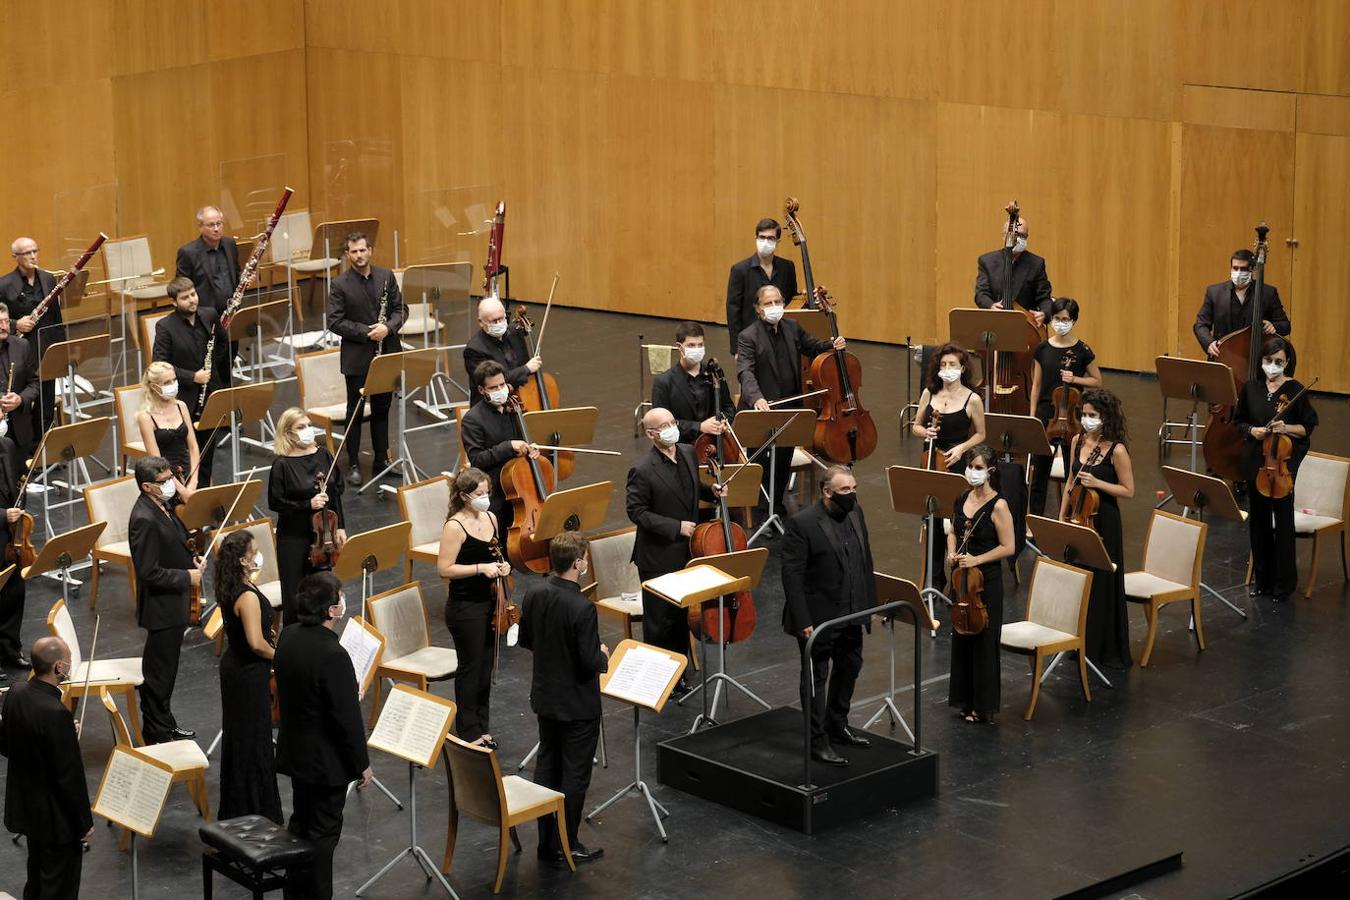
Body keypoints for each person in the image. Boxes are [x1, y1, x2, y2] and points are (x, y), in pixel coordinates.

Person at [274, 572, 373, 900]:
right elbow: (346, 720)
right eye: (340, 597)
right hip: (325, 764)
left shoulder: (287, 637)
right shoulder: (334, 655)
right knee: (322, 839)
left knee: (301, 825)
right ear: (332, 610)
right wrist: (362, 765)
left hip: (297, 755)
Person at [519, 532, 609, 868]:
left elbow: (527, 640)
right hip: (577, 705)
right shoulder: (582, 607)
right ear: (578, 563)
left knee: (548, 767)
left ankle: (546, 843)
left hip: (545, 697)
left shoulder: (535, 592)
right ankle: (567, 844)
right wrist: (602, 655)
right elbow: (589, 662)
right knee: (574, 775)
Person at [780, 465, 877, 766]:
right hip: (818, 617)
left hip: (851, 609)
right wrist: (803, 620)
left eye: (854, 488)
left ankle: (838, 724)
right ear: (827, 492)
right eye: (845, 490)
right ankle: (817, 740)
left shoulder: (856, 512)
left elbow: (864, 560)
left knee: (850, 666)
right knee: (815, 678)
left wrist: (869, 606)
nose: (852, 494)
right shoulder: (802, 523)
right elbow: (792, 577)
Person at [626, 408, 720, 677]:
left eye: (672, 422)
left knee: (680, 618)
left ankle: (678, 673)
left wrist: (711, 491)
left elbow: (691, 487)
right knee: (660, 622)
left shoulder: (689, 452)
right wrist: (675, 527)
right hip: (658, 556)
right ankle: (659, 677)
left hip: (686, 552)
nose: (670, 428)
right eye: (663, 425)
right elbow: (637, 512)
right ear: (650, 433)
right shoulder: (642, 470)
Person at [0, 636, 93, 899]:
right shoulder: (56, 713)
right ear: (59, 668)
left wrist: (62, 734)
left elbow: (9, 744)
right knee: (59, 888)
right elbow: (68, 779)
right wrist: (84, 823)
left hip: (29, 811)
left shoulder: (16, 693)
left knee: (37, 878)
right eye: (69, 663)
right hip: (57, 822)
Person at [736, 285, 841, 515]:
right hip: (762, 412)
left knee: (782, 461)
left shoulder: (792, 327)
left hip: (789, 407)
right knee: (762, 463)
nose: (774, 307)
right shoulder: (748, 337)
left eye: (777, 302)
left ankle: (777, 507)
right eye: (768, 303)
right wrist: (756, 399)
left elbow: (812, 346)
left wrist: (833, 344)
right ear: (758, 308)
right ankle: (762, 510)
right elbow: (746, 372)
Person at [1234, 336, 1318, 603]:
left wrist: (1286, 428)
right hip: (1257, 464)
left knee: (1283, 526)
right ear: (1261, 362)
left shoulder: (1296, 391)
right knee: (1258, 525)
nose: (1272, 366)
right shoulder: (1251, 388)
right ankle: (1263, 581)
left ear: (1287, 362)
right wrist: (1252, 430)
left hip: (1281, 467)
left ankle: (1284, 584)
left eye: (1278, 362)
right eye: (1268, 361)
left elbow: (1307, 427)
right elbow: (1239, 422)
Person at [129, 455, 202, 743]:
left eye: (171, 478)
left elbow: (176, 541)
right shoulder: (143, 519)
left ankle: (166, 722)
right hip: (161, 608)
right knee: (159, 674)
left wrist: (191, 558)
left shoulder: (162, 505)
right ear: (147, 486)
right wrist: (188, 577)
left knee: (167, 671)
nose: (172, 484)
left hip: (174, 603)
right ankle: (156, 732)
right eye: (165, 481)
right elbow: (148, 572)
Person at [1059, 389, 1134, 669]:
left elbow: (1128, 491)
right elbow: (1070, 481)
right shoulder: (1077, 440)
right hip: (1080, 516)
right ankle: (1079, 642)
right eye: (1084, 414)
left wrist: (1099, 484)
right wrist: (1062, 517)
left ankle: (1103, 647)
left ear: (1105, 417)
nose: (1087, 420)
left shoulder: (1117, 450)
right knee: (1080, 581)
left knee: (1102, 582)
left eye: (1093, 415)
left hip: (1104, 521)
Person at [437, 467, 510, 748]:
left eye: (487, 492)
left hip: (491, 603)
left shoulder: (491, 517)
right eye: (480, 494)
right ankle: (469, 731)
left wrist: (503, 565)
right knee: (471, 667)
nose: (486, 498)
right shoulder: (455, 526)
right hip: (465, 606)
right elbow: (444, 568)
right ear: (465, 495)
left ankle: (483, 725)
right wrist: (482, 568)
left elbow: (497, 552)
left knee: (485, 667)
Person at [325, 231, 406, 485]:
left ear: (369, 250)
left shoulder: (386, 276)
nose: (359, 255)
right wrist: (369, 333)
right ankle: (355, 464)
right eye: (354, 252)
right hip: (358, 355)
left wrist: (389, 328)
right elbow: (335, 321)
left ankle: (382, 458)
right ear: (348, 255)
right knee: (356, 410)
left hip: (387, 351)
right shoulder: (340, 284)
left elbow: (400, 309)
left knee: (383, 407)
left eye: (363, 250)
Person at [214, 529, 282, 823]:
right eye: (254, 552)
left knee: (241, 740)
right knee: (253, 741)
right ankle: (255, 810)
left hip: (235, 668)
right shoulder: (247, 596)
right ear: (243, 560)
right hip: (248, 674)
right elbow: (256, 643)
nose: (258, 555)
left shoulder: (230, 585)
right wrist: (281, 656)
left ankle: (237, 809)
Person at [948, 446, 1016, 724]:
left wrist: (977, 559)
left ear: (989, 472)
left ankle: (983, 705)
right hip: (962, 579)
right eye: (970, 466)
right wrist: (951, 552)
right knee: (962, 638)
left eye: (978, 468)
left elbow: (1009, 546)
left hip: (985, 581)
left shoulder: (998, 505)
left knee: (984, 643)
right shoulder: (962, 498)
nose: (972, 472)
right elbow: (953, 530)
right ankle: (964, 700)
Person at [911, 342, 986, 590]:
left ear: (963, 367)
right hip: (931, 459)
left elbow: (980, 435)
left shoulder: (972, 398)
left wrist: (962, 448)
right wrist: (926, 433)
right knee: (931, 519)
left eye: (952, 364)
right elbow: (916, 426)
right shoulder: (929, 393)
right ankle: (933, 579)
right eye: (943, 364)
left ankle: (956, 578)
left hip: (956, 461)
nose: (947, 369)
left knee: (953, 520)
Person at [268, 408, 346, 625]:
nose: (308, 430)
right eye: (301, 427)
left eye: (309, 425)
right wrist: (307, 504)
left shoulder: (323, 455)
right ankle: (295, 644)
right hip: (293, 538)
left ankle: (320, 637)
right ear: (288, 433)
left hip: (324, 537)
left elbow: (335, 492)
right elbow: (276, 503)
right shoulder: (281, 465)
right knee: (295, 595)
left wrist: (340, 526)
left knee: (322, 591)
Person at [1026, 298, 1103, 517]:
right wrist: (1032, 417)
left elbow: (1097, 381)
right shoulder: (1042, 349)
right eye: (1057, 318)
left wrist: (1076, 378)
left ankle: (1070, 515)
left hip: (1073, 417)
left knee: (1073, 469)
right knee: (1040, 471)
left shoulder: (1082, 350)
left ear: (1074, 321)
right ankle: (1036, 519)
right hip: (1046, 415)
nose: (1060, 323)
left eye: (1065, 319)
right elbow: (1037, 385)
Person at [152, 276, 231, 487]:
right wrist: (192, 377)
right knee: (186, 454)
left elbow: (222, 343)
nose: (192, 300)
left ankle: (203, 496)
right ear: (174, 302)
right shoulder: (165, 326)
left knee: (207, 451)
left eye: (193, 294)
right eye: (185, 297)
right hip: (183, 397)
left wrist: (211, 368)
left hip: (210, 394)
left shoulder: (209, 314)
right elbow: (159, 364)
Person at [460, 360, 541, 546]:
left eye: (503, 384)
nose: (500, 390)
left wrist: (532, 448)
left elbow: (526, 440)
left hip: (522, 484)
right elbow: (476, 459)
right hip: (496, 489)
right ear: (481, 390)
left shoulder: (515, 407)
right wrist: (508, 446)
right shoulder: (473, 420)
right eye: (493, 387)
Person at [0, 237, 64, 438]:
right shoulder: (4, 285)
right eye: (27, 253)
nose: (33, 256)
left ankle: (42, 449)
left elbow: (55, 316)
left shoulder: (47, 278)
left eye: (35, 251)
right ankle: (24, 448)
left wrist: (62, 349)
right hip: (19, 352)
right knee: (24, 398)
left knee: (46, 399)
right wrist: (15, 324)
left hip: (46, 348)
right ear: (15, 257)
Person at [1194, 249, 1292, 359]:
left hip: (1255, 359)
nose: (1239, 272)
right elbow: (1200, 324)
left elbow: (1286, 326)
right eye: (1235, 268)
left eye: (1243, 269)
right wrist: (1209, 343)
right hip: (1222, 356)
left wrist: (1274, 326)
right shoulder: (1214, 292)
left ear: (1253, 270)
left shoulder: (1268, 293)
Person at [726, 217, 800, 355]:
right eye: (762, 237)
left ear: (778, 242)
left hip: (781, 338)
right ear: (756, 238)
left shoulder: (787, 267)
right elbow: (733, 311)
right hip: (752, 341)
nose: (765, 242)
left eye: (770, 238)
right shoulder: (740, 270)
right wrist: (737, 349)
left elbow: (791, 301)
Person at [651, 321, 733, 444]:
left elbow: (729, 407)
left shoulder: (714, 373)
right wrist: (699, 427)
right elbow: (661, 424)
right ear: (679, 347)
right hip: (682, 447)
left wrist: (722, 422)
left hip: (714, 443)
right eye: (691, 345)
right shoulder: (663, 382)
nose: (697, 349)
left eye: (700, 345)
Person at [137, 360, 201, 499]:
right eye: (167, 383)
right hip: (164, 481)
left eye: (174, 380)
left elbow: (193, 447)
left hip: (189, 472)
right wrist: (182, 491)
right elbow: (157, 461)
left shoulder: (181, 406)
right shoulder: (145, 418)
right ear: (154, 387)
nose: (173, 385)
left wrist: (194, 481)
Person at [974, 212, 1052, 324]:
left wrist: (1044, 312)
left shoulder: (1036, 263)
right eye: (1015, 234)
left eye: (1023, 236)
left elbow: (1044, 298)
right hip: (994, 323)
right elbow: (981, 294)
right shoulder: (987, 261)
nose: (1019, 239)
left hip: (1026, 326)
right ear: (1004, 236)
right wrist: (990, 305)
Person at [463, 296, 540, 406]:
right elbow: (493, 381)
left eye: (502, 318)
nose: (499, 323)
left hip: (520, 396)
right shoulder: (474, 350)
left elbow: (525, 365)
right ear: (480, 322)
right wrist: (526, 369)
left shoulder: (515, 332)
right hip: (491, 405)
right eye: (494, 321)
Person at [0, 427, 30, 672]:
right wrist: (2, 515)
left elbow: (19, 484)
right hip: (2, 523)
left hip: (10, 539)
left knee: (14, 591)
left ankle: (10, 650)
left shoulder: (7, 446)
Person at [175, 205, 241, 313]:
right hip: (204, 315)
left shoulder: (230, 244)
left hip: (233, 308)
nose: (216, 229)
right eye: (211, 225)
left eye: (219, 224)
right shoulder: (188, 253)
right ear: (200, 227)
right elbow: (182, 288)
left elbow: (236, 272)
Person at [0, 302, 42, 460]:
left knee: (20, 480)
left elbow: (34, 383)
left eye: (6, 321)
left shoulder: (22, 346)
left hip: (19, 431)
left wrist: (20, 399)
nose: (4, 327)